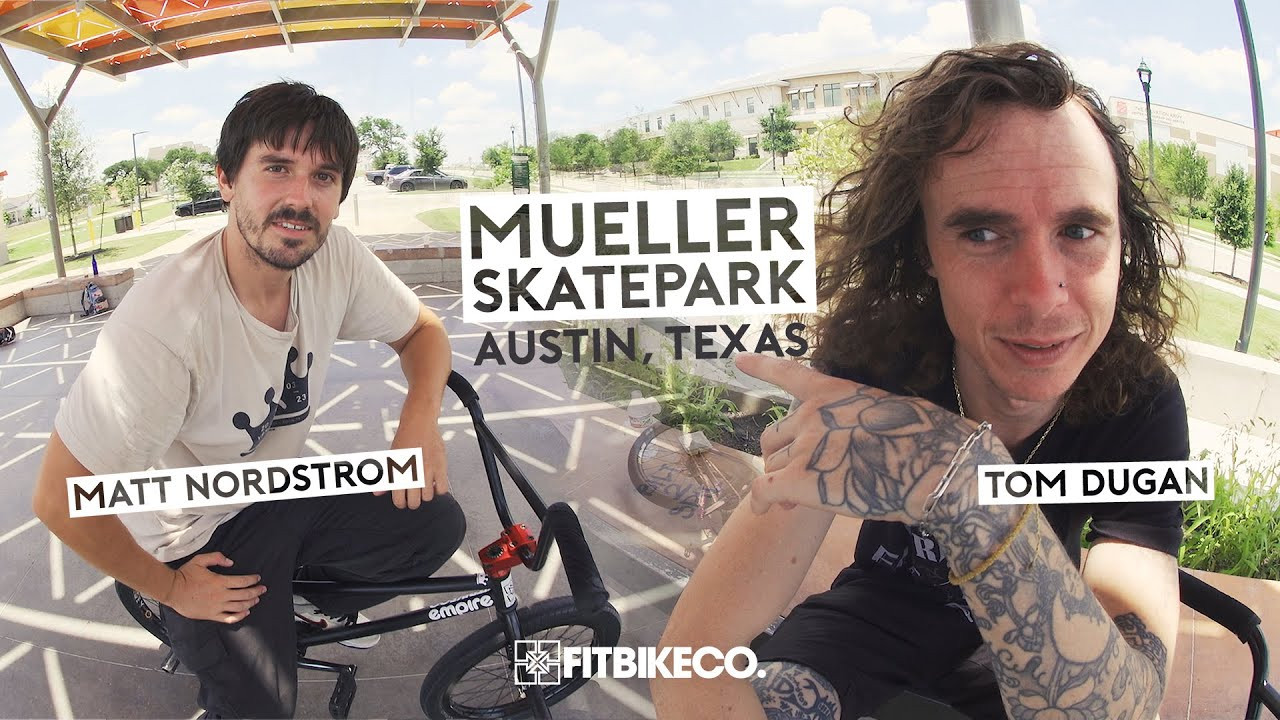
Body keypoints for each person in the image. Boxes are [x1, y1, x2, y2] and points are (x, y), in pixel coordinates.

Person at [653, 42, 1190, 720]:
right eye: (984, 235)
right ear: (924, 251)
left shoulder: (1138, 397)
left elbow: (1125, 708)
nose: (1042, 297)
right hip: (886, 605)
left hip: (1041, 612)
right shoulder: (880, 360)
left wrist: (963, 481)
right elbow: (690, 668)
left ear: (1123, 247)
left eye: (1080, 230)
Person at [32, 82, 464, 718]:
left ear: (341, 195)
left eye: (323, 176)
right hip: (190, 536)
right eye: (276, 168)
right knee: (261, 707)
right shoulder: (167, 325)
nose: (299, 198)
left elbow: (422, 331)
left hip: (271, 492)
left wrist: (418, 423)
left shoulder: (333, 257)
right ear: (227, 180)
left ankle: (294, 604)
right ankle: (207, 625)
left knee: (435, 523)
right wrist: (175, 588)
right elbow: (59, 499)